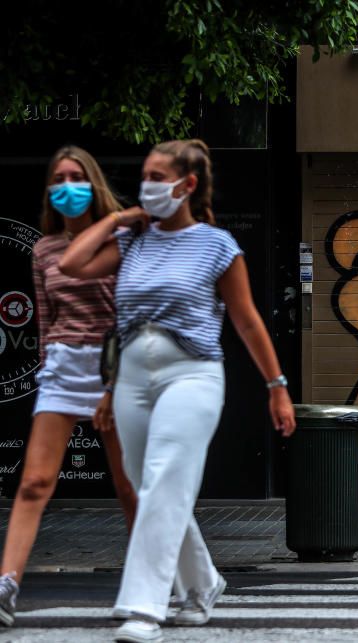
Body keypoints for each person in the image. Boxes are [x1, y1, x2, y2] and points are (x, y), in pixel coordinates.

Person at [59, 139, 295, 642]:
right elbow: (72, 264)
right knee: (152, 488)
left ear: (187, 185)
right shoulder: (133, 241)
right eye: (144, 175)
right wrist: (117, 219)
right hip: (132, 378)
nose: (148, 185)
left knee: (166, 476)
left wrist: (277, 387)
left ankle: (144, 606)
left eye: (157, 176)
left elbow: (248, 322)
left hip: (192, 374)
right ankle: (203, 583)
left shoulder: (217, 246)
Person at [0, 146, 138, 626]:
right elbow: (45, 321)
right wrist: (45, 373)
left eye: (76, 176)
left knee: (128, 486)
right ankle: (6, 585)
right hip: (61, 367)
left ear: (93, 182)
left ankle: (152, 581)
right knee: (35, 481)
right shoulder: (43, 250)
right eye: (58, 177)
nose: (66, 185)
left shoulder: (121, 238)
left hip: (110, 367)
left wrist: (114, 384)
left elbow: (130, 315)